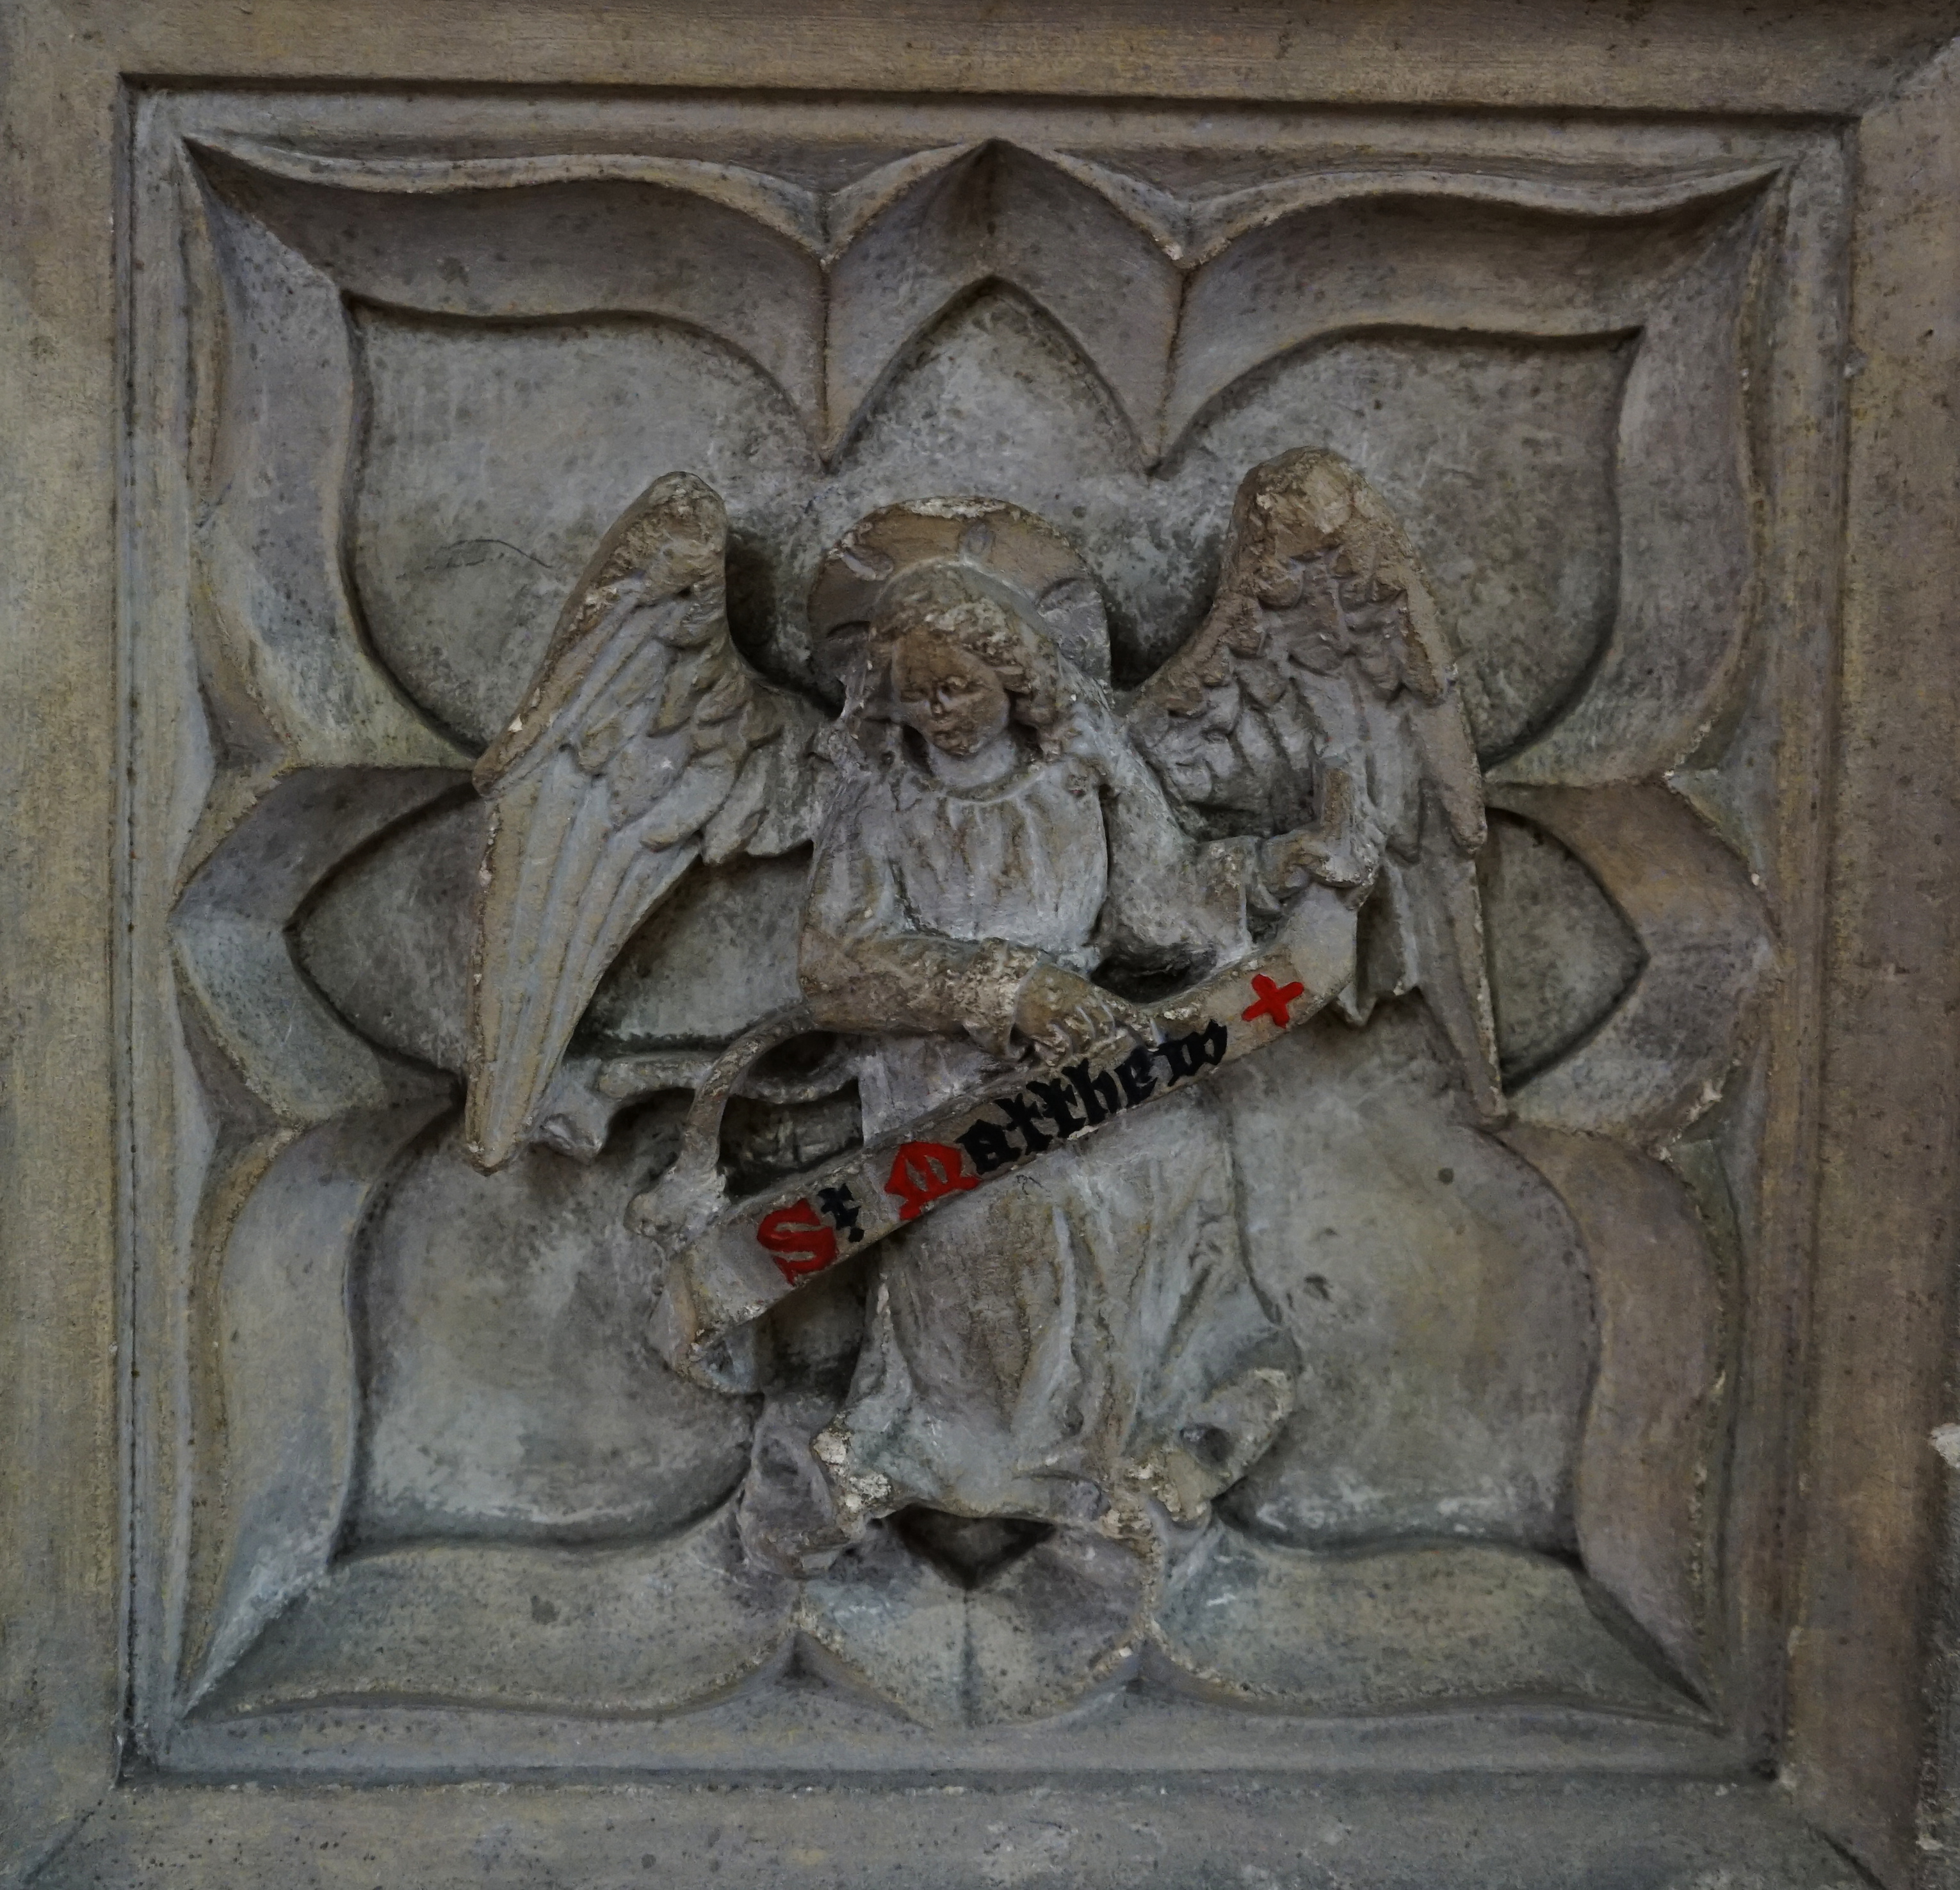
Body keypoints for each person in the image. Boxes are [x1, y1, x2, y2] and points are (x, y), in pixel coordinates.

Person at [736, 558, 1303, 1578]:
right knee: (1003, 1212)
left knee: (1170, 1155)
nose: (939, 712)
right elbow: (833, 964)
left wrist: (1268, 871)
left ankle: (1135, 1445)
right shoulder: (880, 802)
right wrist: (1001, 991)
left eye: (959, 687)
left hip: (1092, 1058)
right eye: (917, 694)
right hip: (938, 1081)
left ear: (1014, 676)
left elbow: (1155, 917)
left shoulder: (1077, 776)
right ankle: (968, 1462)